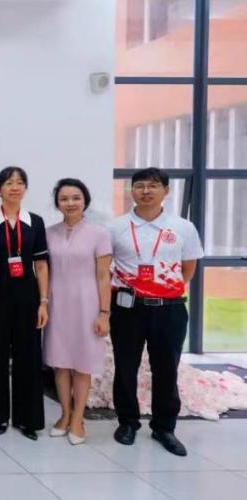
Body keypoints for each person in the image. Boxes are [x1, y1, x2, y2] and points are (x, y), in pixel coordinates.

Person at [109, 167, 203, 456]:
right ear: (132, 191)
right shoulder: (116, 227)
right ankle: (127, 423)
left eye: (153, 185)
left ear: (166, 190)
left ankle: (164, 427)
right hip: (127, 308)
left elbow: (188, 268)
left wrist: (161, 290)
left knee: (166, 369)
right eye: (139, 186)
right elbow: (104, 268)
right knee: (126, 366)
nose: (146, 191)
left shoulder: (183, 227)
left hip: (169, 309)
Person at [0, 166, 49, 440]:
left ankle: (27, 419)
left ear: (25, 189)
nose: (15, 187)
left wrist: (43, 301)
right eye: (9, 183)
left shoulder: (35, 222)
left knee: (28, 358)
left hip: (27, 297)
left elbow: (41, 265)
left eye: (20, 182)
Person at [43, 178, 112, 446]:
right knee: (60, 363)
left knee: (82, 365)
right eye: (64, 199)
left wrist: (104, 312)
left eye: (75, 198)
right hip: (57, 304)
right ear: (57, 203)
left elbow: (104, 276)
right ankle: (64, 414)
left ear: (85, 201)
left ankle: (78, 419)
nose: (70, 203)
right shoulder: (48, 233)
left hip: (87, 305)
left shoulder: (99, 234)